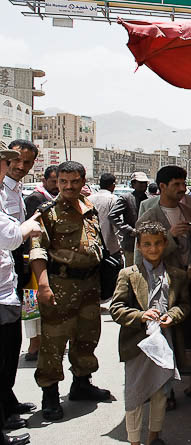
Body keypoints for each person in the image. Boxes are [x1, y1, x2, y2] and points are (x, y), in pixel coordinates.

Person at [29, 161, 112, 421]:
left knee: (87, 337)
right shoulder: (48, 212)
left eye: (74, 181)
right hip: (60, 285)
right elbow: (37, 250)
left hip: (89, 285)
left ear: (83, 181)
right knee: (54, 342)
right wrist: (43, 284)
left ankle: (81, 383)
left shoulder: (89, 207)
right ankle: (50, 394)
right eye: (63, 181)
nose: (68, 186)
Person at [110, 221, 190, 445]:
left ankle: (154, 437)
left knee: (161, 391)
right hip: (136, 344)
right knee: (134, 395)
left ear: (165, 244)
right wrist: (140, 316)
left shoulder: (176, 275)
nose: (152, 249)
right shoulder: (128, 274)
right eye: (147, 244)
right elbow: (116, 309)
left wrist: (172, 316)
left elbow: (184, 305)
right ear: (138, 246)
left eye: (157, 243)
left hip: (165, 341)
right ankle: (134, 440)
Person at [137, 166, 191, 407]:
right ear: (163, 186)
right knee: (165, 336)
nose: (181, 189)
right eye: (176, 185)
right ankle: (163, 392)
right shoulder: (149, 212)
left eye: (183, 184)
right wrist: (171, 236)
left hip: (188, 282)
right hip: (162, 284)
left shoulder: (189, 208)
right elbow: (146, 250)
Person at [0, 142, 43, 445]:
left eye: (26, 162)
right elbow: (12, 234)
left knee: (11, 343)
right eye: (13, 161)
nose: (19, 166)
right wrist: (29, 227)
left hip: (16, 273)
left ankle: (7, 399)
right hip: (6, 274)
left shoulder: (15, 190)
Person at [110, 172, 150, 267]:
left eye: (144, 183)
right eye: (140, 183)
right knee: (132, 271)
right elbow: (113, 215)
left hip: (148, 242)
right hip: (131, 243)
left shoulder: (149, 198)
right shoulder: (126, 198)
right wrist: (129, 230)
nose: (143, 185)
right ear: (133, 184)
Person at [88, 173, 123, 267]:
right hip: (111, 248)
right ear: (113, 185)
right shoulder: (113, 199)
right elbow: (117, 224)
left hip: (92, 246)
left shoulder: (88, 199)